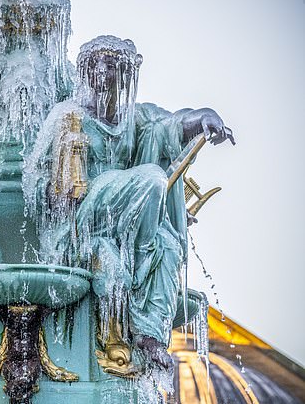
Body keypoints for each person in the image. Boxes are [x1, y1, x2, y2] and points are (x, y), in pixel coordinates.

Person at [25, 35, 234, 370]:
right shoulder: (68, 117)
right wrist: (57, 190)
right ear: (87, 71)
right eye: (100, 65)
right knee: (152, 178)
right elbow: (36, 186)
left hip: (129, 222)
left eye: (116, 67)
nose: (107, 73)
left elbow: (169, 126)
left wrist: (203, 116)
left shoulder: (135, 119)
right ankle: (142, 248)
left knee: (168, 246)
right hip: (83, 220)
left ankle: (149, 333)